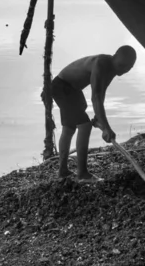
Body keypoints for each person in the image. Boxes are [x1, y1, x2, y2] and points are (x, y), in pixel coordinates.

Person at [52, 45, 136, 182]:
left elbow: (101, 93)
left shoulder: (113, 68)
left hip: (72, 89)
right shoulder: (101, 63)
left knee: (69, 128)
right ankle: (82, 174)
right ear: (114, 57)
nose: (123, 70)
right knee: (84, 126)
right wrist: (107, 128)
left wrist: (99, 119)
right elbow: (95, 97)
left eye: (128, 68)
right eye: (121, 65)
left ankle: (63, 172)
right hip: (62, 86)